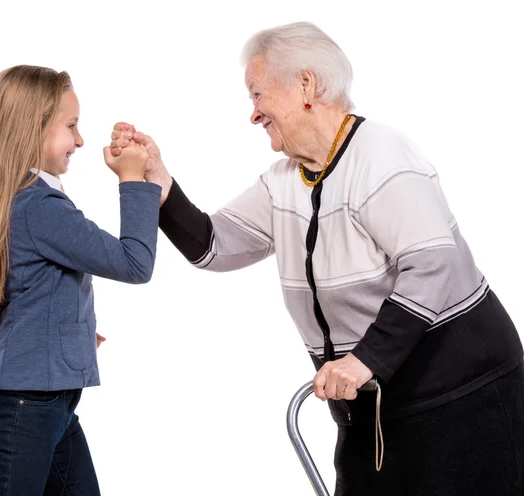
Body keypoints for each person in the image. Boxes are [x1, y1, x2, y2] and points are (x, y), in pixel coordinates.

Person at [110, 22, 524, 496]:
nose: (253, 113)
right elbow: (214, 245)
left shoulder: (382, 158)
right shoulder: (285, 180)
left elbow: (433, 265)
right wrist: (158, 183)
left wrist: (362, 361)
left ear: (306, 85)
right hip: (369, 409)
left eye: (258, 94)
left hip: (460, 394)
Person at [0, 65, 161, 495]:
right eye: (71, 126)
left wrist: (75, 332)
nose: (80, 141)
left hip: (46, 403)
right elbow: (134, 263)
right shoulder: (39, 205)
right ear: (32, 129)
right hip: (25, 407)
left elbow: (25, 294)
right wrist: (132, 178)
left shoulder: (22, 200)